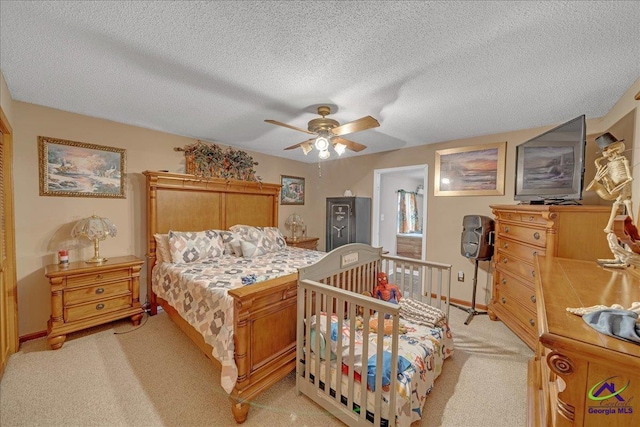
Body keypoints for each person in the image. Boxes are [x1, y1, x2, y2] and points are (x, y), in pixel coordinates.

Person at [586, 132, 633, 233]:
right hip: (615, 186)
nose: (603, 154)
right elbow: (610, 177)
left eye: (605, 150)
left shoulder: (623, 160)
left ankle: (632, 227)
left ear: (613, 148)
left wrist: (628, 179)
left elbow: (629, 176)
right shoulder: (609, 163)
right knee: (616, 204)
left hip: (623, 184)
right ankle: (609, 227)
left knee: (626, 202)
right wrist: (601, 179)